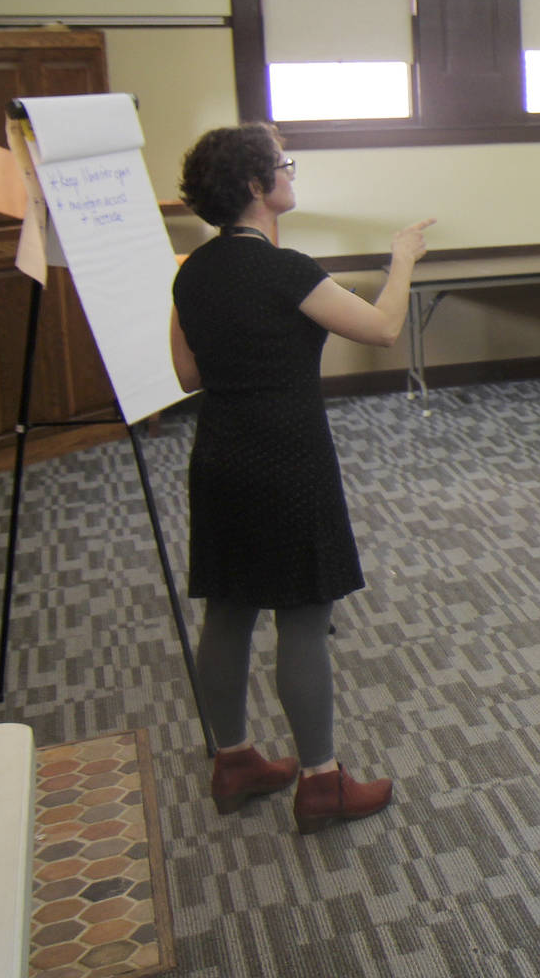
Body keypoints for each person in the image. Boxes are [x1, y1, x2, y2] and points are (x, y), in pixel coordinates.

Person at [168, 123, 432, 834]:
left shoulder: (190, 271)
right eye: (282, 165)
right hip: (288, 453)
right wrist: (400, 259)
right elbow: (381, 328)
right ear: (257, 187)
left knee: (227, 608)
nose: (291, 173)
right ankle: (320, 783)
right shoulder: (286, 271)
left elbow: (187, 375)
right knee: (304, 616)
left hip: (219, 451)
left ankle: (234, 761)